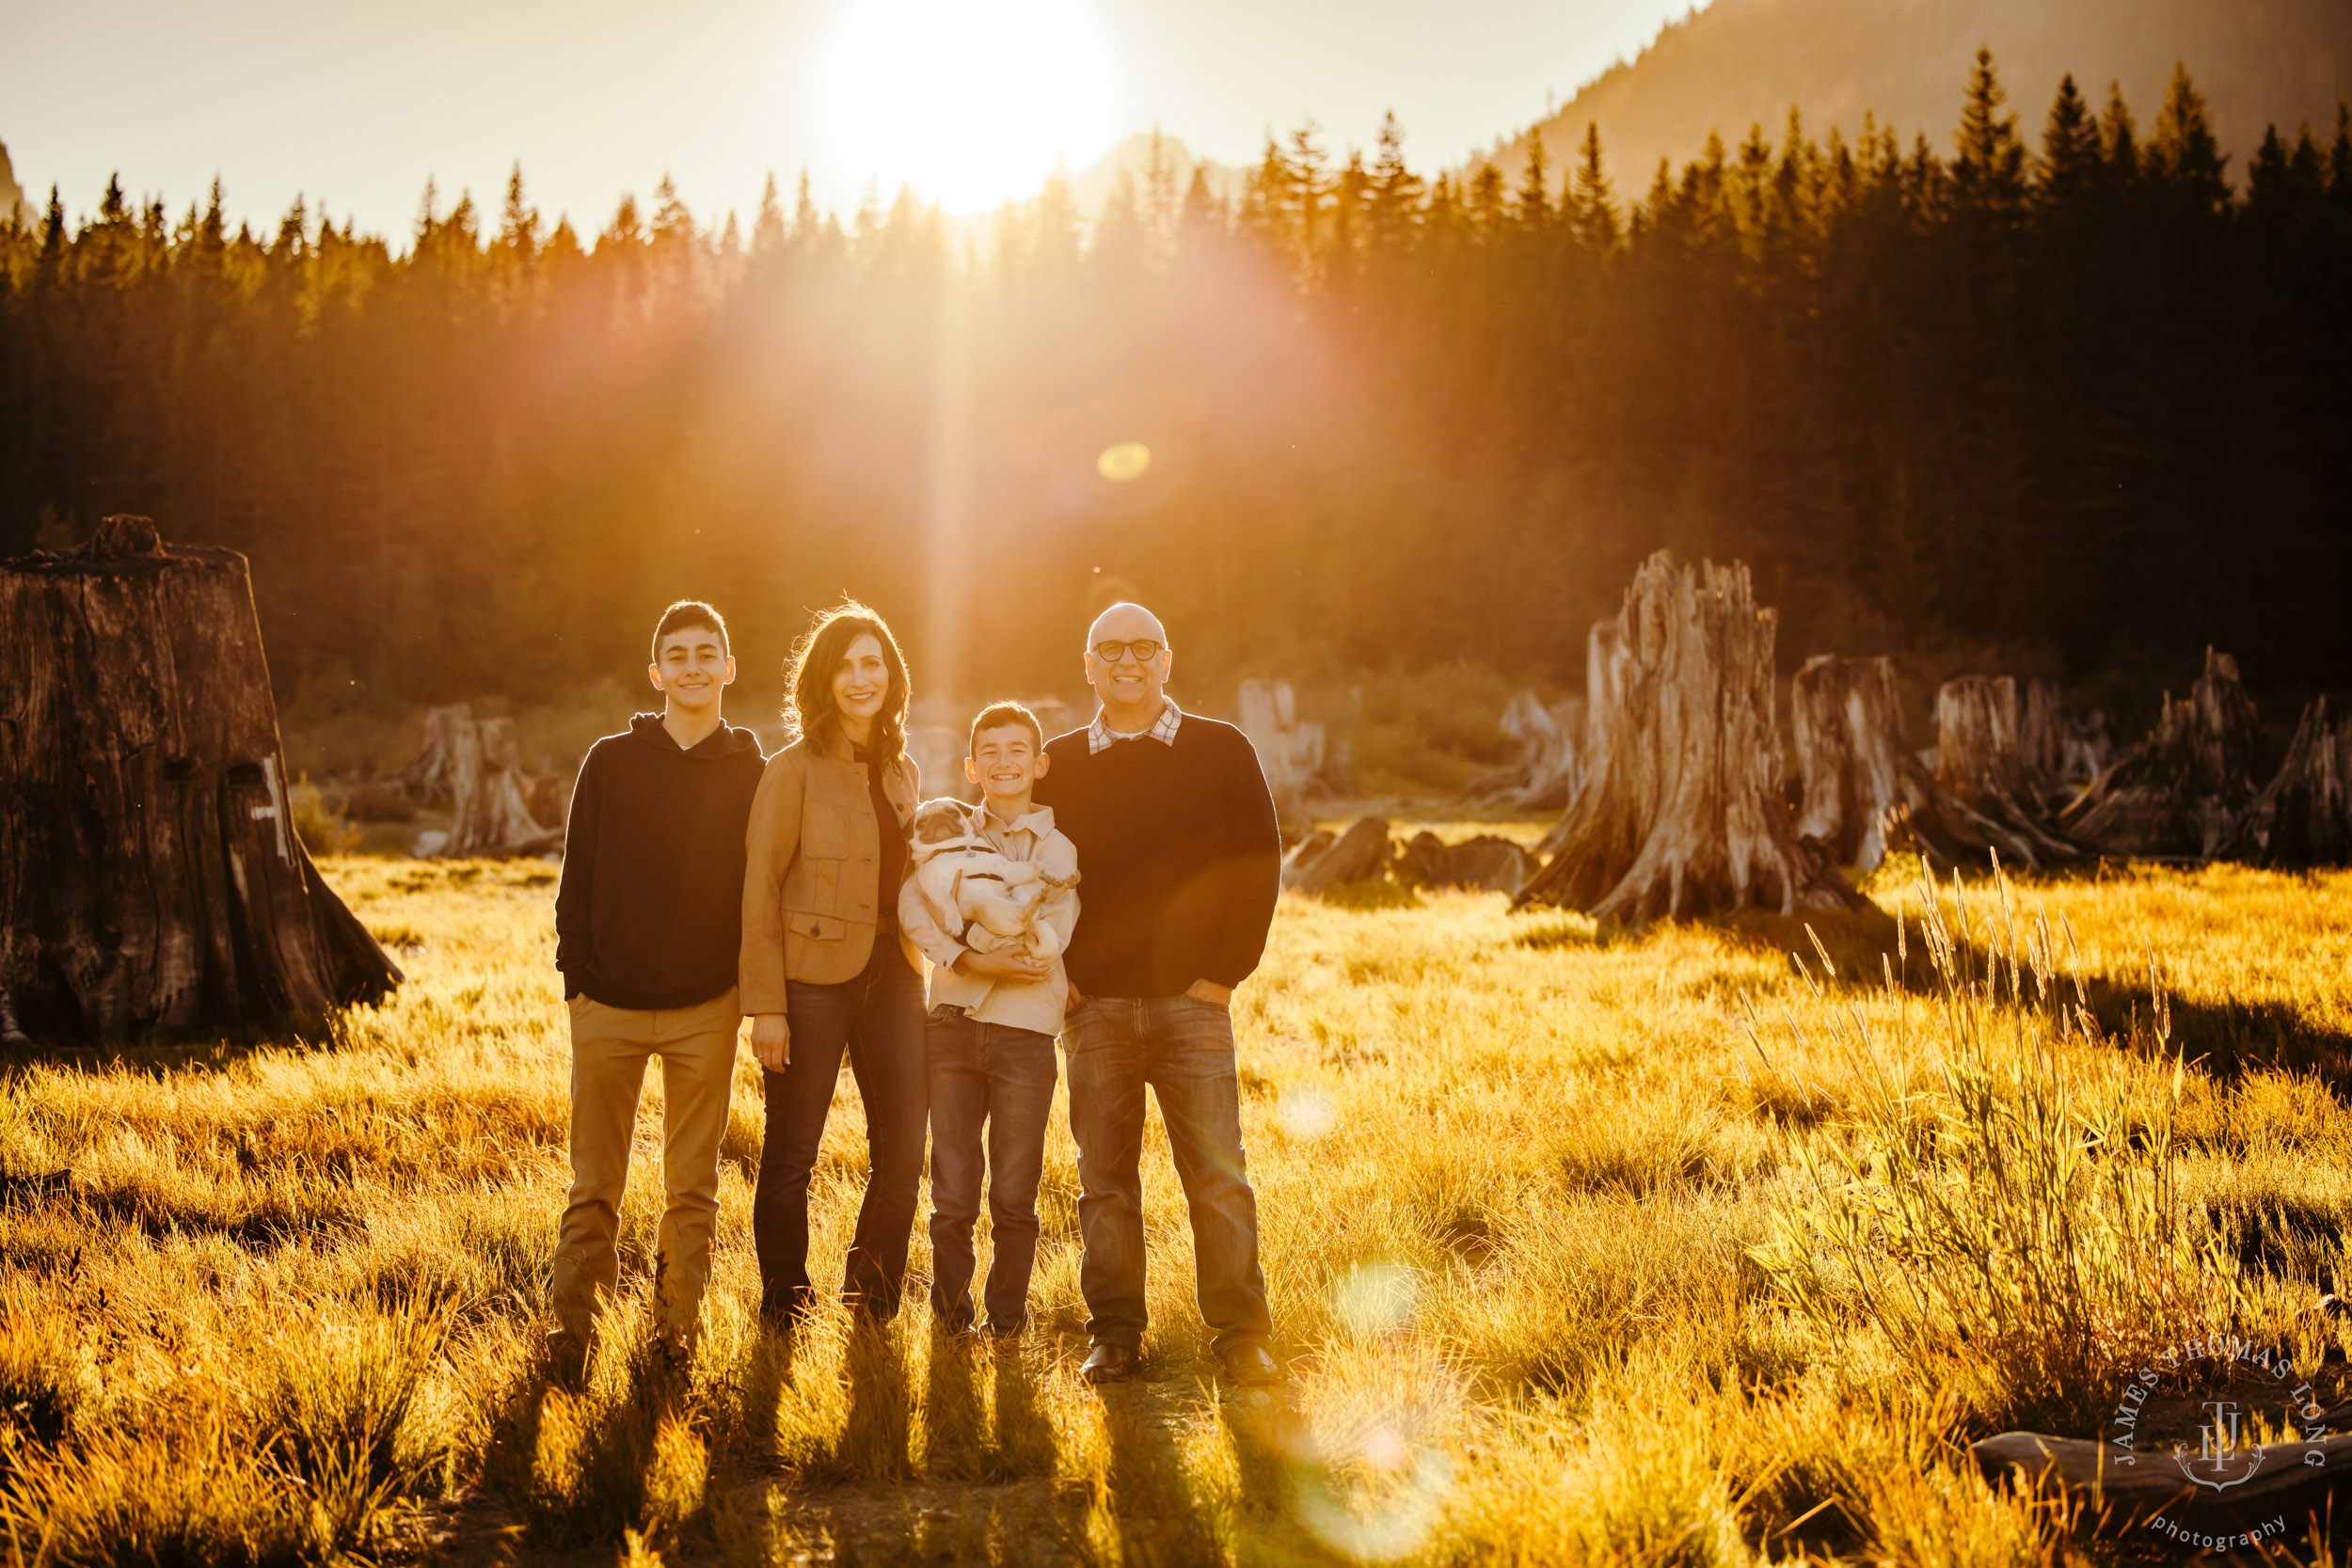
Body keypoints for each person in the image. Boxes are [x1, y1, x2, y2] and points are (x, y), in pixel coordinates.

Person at [1032, 602, 1284, 1386]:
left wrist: (1225, 975)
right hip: (1095, 1005)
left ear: (1167, 660)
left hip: (1193, 1002)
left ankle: (1241, 1334)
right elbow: (1029, 865)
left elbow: (1259, 860)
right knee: (1104, 1178)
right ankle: (1115, 1333)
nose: (1128, 661)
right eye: (1110, 649)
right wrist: (1057, 970)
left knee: (1218, 1175)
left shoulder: (1221, 747)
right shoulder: (1059, 761)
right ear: (1089, 665)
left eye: (1143, 648)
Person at [549, 600, 767, 1382]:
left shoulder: (753, 772)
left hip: (706, 1005)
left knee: (692, 1186)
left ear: (729, 667)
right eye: (677, 654)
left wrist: (744, 988)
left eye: (708, 652)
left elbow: (762, 888)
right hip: (606, 1002)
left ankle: (675, 1335)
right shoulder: (609, 760)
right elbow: (576, 879)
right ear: (657, 673)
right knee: (594, 1182)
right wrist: (579, 981)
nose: (693, 665)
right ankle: (571, 1334)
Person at [740, 602, 926, 1323]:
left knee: (905, 1150)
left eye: (872, 662)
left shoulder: (903, 769)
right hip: (809, 979)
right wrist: (766, 1004)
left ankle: (872, 1299)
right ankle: (784, 1303)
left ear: (891, 676)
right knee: (792, 1153)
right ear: (822, 680)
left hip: (898, 972)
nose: (860, 677)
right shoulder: (790, 770)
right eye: (845, 665)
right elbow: (759, 887)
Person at [898, 702, 1079, 1339]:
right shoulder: (942, 829)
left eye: (1016, 750)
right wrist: (969, 957)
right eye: (990, 752)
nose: (1004, 762)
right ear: (972, 765)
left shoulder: (1057, 848)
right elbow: (914, 908)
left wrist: (1022, 952)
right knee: (951, 1191)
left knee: (1013, 1193)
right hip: (948, 1026)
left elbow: (1056, 924)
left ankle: (1006, 1320)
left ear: (1039, 763)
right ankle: (949, 1318)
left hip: (1025, 1034)